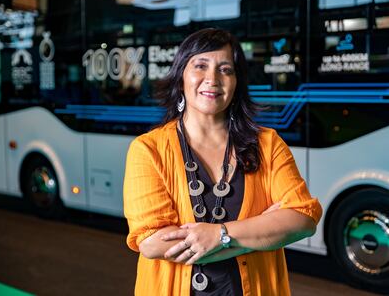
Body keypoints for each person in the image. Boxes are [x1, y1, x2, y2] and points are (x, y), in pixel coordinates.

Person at [123, 28, 322, 296]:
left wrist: (221, 234)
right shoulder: (148, 150)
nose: (212, 79)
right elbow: (151, 243)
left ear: (237, 81)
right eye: (200, 66)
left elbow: (303, 219)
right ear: (181, 76)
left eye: (225, 69)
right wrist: (259, 233)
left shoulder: (268, 144)